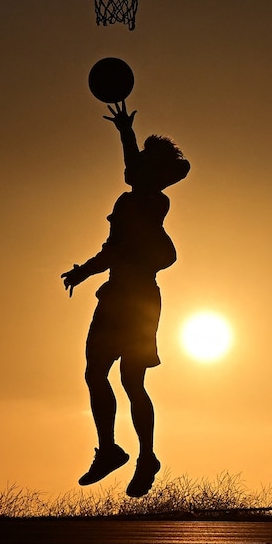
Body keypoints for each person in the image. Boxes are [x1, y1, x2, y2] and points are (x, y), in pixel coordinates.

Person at [61, 101, 190, 498]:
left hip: (130, 299)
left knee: (120, 378)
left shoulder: (145, 201)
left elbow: (115, 249)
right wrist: (126, 134)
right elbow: (134, 172)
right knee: (113, 377)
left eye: (144, 162)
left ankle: (133, 454)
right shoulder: (139, 199)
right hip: (129, 296)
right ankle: (119, 452)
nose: (133, 167)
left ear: (154, 172)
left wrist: (84, 270)